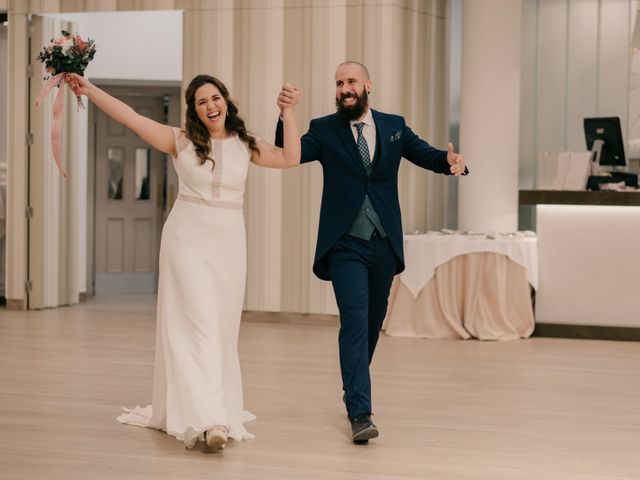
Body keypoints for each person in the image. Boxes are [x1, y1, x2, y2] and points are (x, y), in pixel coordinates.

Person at [68, 73, 302, 450]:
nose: (211, 106)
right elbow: (130, 116)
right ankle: (211, 422)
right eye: (201, 102)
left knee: (221, 329)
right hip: (187, 241)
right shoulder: (181, 141)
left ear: (226, 100)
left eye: (215, 98)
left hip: (229, 246)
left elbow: (291, 158)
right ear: (194, 110)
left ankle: (212, 405)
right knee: (199, 325)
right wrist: (90, 89)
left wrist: (288, 112)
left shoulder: (247, 143)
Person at [275, 61, 467, 443]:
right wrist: (286, 114)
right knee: (354, 321)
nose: (344, 88)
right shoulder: (324, 129)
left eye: (350, 81)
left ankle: (353, 385)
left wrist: (450, 164)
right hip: (344, 243)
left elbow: (427, 155)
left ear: (367, 85)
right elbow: (289, 153)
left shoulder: (394, 125)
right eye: (338, 83)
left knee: (372, 322)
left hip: (383, 242)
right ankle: (360, 412)